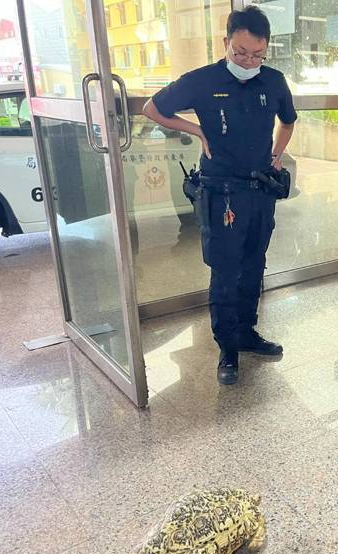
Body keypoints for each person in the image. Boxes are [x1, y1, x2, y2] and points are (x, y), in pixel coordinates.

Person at [143, 6, 296, 385]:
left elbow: (288, 120)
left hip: (260, 189)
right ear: (226, 42)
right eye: (241, 52)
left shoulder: (274, 81)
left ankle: (246, 331)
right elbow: (152, 108)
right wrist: (196, 130)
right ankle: (227, 346)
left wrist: (276, 156)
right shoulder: (201, 80)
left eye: (257, 54)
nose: (249, 61)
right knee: (226, 270)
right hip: (221, 191)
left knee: (254, 263)